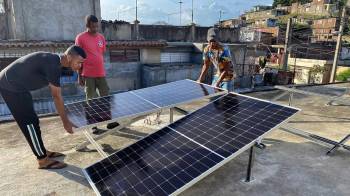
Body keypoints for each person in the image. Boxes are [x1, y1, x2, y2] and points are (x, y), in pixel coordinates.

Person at [0, 46, 86, 169]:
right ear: (69, 57)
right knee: (29, 123)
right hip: (10, 87)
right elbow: (56, 96)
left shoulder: (56, 62)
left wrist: (79, 73)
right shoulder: (52, 65)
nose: (80, 66)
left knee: (34, 120)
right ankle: (42, 160)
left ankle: (42, 151)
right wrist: (65, 122)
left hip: (19, 87)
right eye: (79, 62)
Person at [75, 15, 118, 131]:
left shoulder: (101, 38)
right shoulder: (80, 38)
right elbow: (78, 57)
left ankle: (109, 122)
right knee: (91, 100)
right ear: (87, 25)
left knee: (105, 97)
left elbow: (100, 54)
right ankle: (93, 125)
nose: (95, 28)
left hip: (101, 73)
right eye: (92, 26)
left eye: (96, 26)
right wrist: (79, 75)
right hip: (88, 74)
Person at [197, 27, 235, 92]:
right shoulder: (207, 49)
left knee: (225, 97)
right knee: (213, 94)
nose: (212, 44)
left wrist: (217, 84)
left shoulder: (224, 50)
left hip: (228, 76)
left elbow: (226, 69)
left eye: (214, 41)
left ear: (217, 40)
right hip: (218, 74)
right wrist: (200, 79)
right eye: (210, 41)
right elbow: (206, 65)